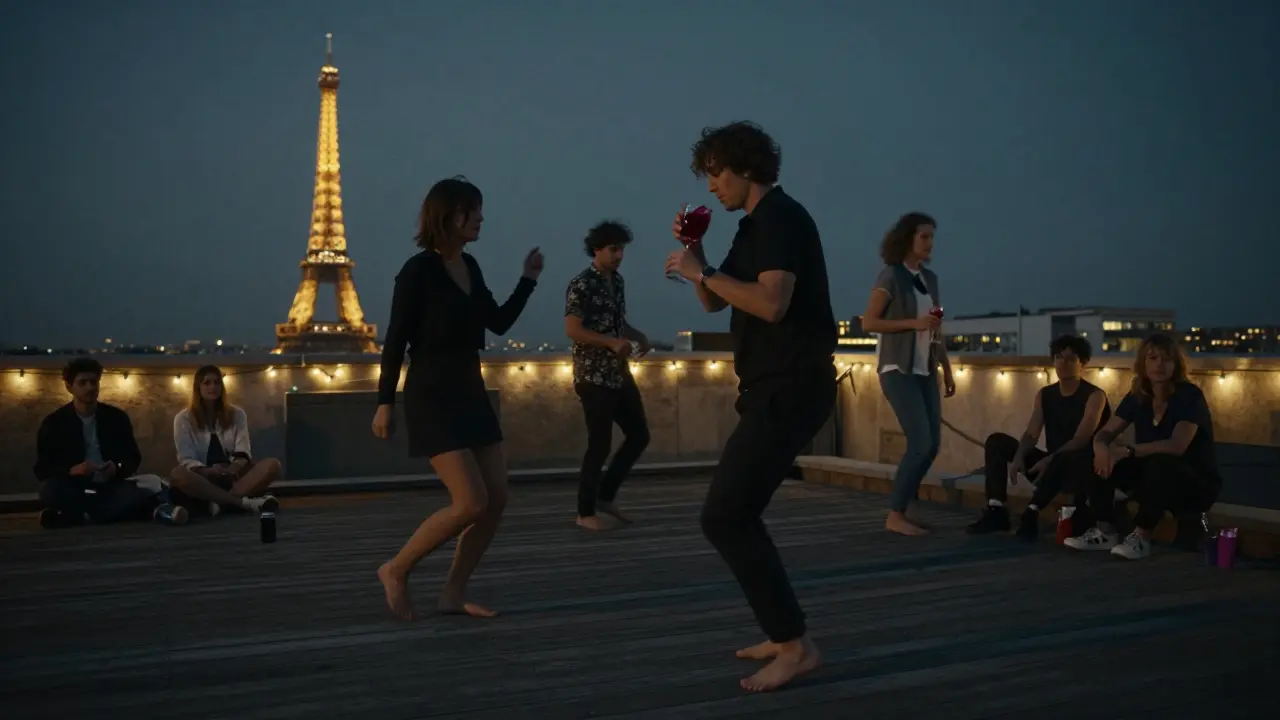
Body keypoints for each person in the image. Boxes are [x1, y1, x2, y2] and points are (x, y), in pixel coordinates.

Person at [665, 121, 837, 693]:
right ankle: (784, 631)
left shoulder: (783, 219)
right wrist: (697, 256)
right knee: (739, 515)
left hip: (791, 388)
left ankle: (796, 646)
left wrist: (704, 270)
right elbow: (715, 304)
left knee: (724, 516)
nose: (711, 186)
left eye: (715, 173)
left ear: (743, 167)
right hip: (769, 389)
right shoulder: (752, 228)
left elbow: (771, 303)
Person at [373, 176, 544, 620]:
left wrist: (528, 281)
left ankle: (453, 591)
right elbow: (395, 339)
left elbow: (499, 323)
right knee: (470, 502)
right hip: (432, 392)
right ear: (449, 215)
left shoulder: (471, 267)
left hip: (470, 387)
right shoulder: (418, 271)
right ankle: (395, 569)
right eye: (474, 211)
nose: (482, 218)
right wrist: (384, 401)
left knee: (497, 497)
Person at [1062, 333, 1221, 559]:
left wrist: (1126, 451)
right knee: (1094, 454)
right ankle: (1105, 531)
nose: (1159, 365)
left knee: (1161, 462)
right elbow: (1105, 432)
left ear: (1176, 364)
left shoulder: (1189, 396)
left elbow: (1176, 446)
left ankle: (1142, 537)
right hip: (1152, 478)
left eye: (1166, 359)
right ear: (1143, 363)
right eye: (1153, 358)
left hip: (1194, 483)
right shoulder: (1139, 395)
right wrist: (1100, 447)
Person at [859, 212, 956, 537]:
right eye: (924, 237)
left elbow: (935, 328)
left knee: (932, 445)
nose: (930, 244)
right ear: (908, 239)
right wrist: (913, 324)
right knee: (920, 441)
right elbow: (869, 322)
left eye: (932, 237)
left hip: (924, 368)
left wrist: (945, 366)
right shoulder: (891, 276)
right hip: (897, 369)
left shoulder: (930, 280)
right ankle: (895, 513)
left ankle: (908, 506)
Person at [966, 334, 1112, 539]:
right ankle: (996, 510)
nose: (1064, 363)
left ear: (1083, 363)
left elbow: (1081, 440)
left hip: (1077, 470)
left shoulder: (1095, 396)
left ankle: (1032, 513)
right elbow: (1032, 433)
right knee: (996, 442)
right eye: (1059, 357)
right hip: (1047, 467)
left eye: (1071, 358)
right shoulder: (1045, 394)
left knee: (1064, 458)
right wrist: (1018, 456)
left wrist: (1049, 461)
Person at [564, 220, 652, 531]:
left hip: (618, 373)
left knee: (639, 435)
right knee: (599, 444)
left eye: (622, 250)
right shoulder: (581, 284)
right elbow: (573, 329)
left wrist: (637, 335)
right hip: (593, 375)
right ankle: (584, 512)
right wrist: (612, 342)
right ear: (597, 249)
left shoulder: (617, 281)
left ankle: (605, 496)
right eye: (613, 249)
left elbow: (617, 322)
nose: (619, 255)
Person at [34, 357, 185, 528]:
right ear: (69, 387)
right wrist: (72, 470)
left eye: (93, 382)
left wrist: (116, 467)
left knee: (134, 493)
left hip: (110, 485)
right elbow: (43, 468)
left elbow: (132, 458)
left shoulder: (116, 417)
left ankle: (75, 516)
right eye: (83, 383)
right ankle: (99, 514)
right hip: (75, 485)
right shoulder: (55, 422)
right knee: (49, 491)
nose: (90, 387)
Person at [169, 365, 281, 518]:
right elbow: (186, 458)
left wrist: (231, 469)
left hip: (233, 477)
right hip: (203, 478)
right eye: (207, 383)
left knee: (272, 465)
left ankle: (218, 502)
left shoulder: (237, 414)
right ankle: (242, 503)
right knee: (178, 474)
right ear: (198, 387)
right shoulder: (184, 419)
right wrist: (208, 471)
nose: (213, 387)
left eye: (217, 382)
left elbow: (243, 450)